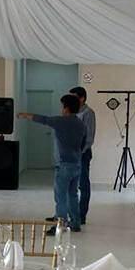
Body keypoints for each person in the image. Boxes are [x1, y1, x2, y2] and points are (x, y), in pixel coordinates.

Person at [18, 94, 86, 232]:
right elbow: (83, 144)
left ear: (66, 108)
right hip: (77, 163)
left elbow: (43, 119)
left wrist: (24, 115)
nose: (61, 109)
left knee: (61, 197)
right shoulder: (81, 124)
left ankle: (60, 225)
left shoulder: (61, 121)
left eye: (62, 106)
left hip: (64, 165)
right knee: (72, 195)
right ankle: (75, 223)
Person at [70, 86, 96, 225]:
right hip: (70, 153)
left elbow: (89, 137)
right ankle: (71, 214)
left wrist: (80, 152)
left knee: (83, 185)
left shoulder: (88, 113)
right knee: (71, 185)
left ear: (82, 98)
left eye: (74, 97)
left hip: (82, 153)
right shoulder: (72, 112)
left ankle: (81, 215)